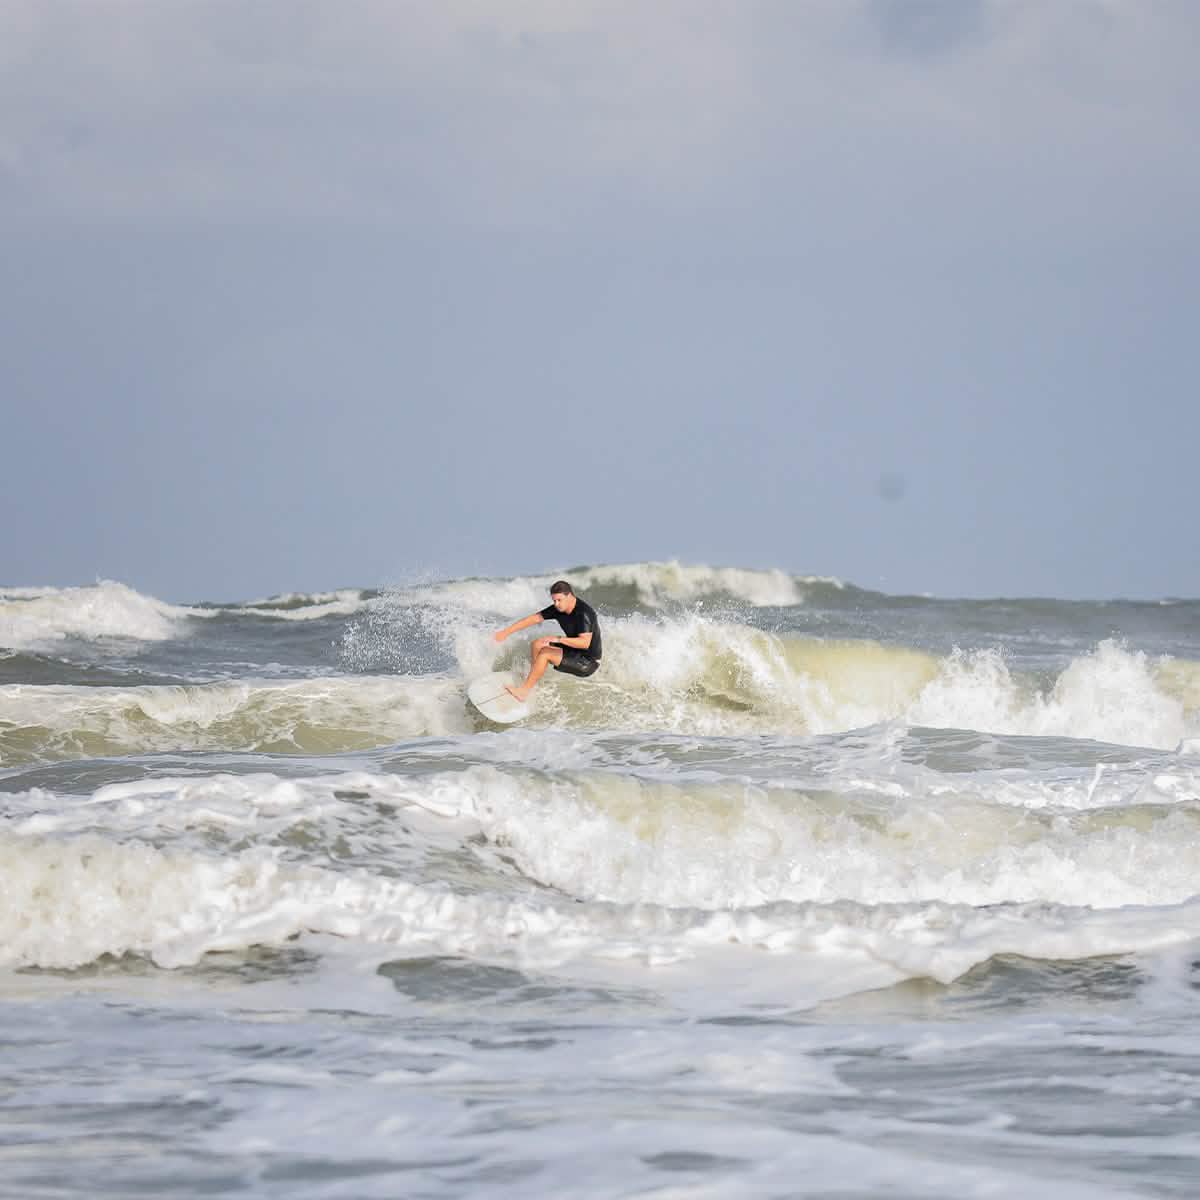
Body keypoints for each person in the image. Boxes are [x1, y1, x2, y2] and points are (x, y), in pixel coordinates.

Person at [493, 580, 602, 702]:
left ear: (570, 596)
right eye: (554, 600)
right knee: (537, 644)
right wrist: (506, 632)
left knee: (545, 653)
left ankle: (523, 692)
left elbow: (584, 643)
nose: (556, 604)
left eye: (559, 600)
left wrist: (558, 639)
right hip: (575, 650)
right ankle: (532, 682)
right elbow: (534, 618)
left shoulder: (583, 614)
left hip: (588, 662)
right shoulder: (559, 608)